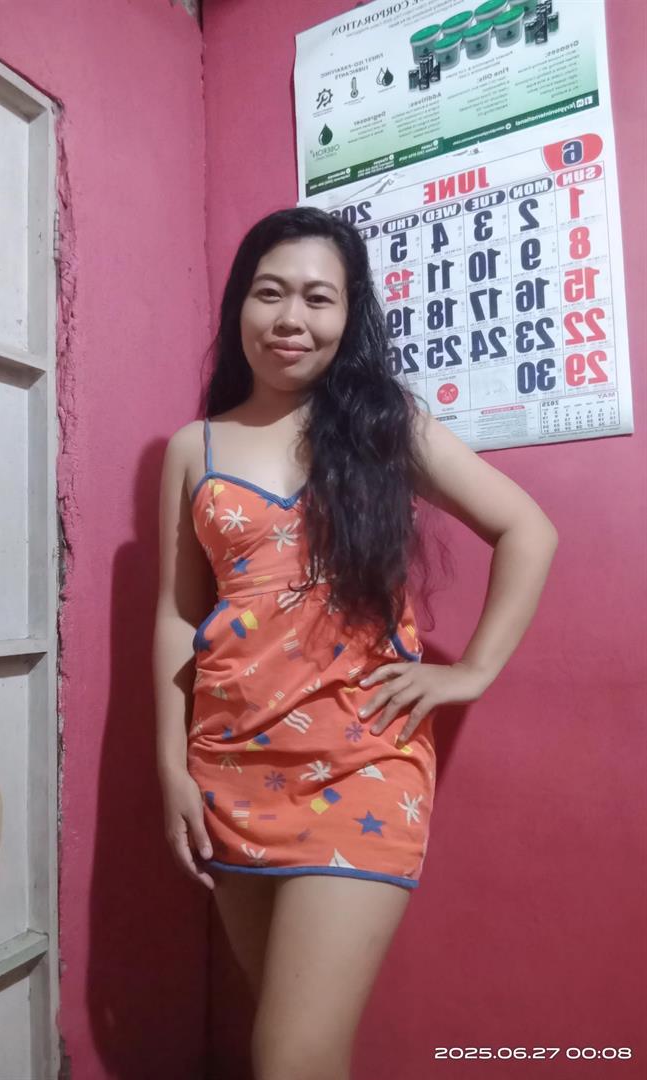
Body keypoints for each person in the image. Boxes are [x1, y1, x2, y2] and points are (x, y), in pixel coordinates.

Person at [153, 206, 558, 1080]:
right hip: (229, 763)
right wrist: (170, 765)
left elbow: (527, 529)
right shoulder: (194, 447)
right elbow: (177, 614)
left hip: (360, 761)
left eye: (317, 298)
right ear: (238, 305)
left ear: (348, 314)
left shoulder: (383, 427)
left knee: (287, 1056)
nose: (290, 318)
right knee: (293, 1045)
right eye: (269, 293)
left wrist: (472, 671)